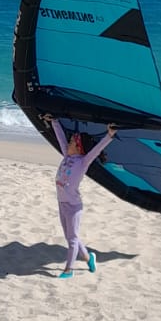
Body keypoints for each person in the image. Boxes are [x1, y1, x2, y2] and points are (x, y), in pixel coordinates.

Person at [41, 115, 116, 279]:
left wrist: (109, 135)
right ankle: (90, 258)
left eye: (72, 143)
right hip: (62, 203)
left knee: (72, 239)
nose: (68, 144)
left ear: (79, 148)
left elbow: (96, 151)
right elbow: (60, 137)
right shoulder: (67, 156)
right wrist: (54, 121)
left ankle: (69, 270)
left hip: (74, 206)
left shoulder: (83, 162)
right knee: (70, 237)